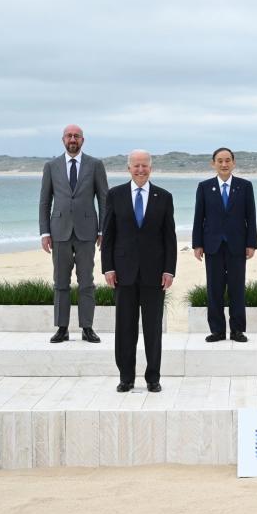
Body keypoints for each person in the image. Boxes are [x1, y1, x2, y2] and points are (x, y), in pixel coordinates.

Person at [101, 150, 176, 393]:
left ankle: (153, 378)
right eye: (136, 166)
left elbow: (169, 238)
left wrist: (169, 270)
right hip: (123, 273)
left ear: (151, 168)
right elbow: (109, 235)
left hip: (155, 274)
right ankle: (126, 378)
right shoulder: (115, 195)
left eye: (144, 165)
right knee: (125, 329)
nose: (140, 170)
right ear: (129, 168)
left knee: (153, 329)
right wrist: (108, 267)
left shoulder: (164, 197)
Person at [39, 124, 109, 344]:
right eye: (69, 136)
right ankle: (62, 328)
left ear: (82, 140)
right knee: (60, 282)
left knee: (86, 281)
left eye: (76, 136)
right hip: (59, 232)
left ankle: (87, 327)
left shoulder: (95, 165)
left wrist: (103, 231)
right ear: (63, 140)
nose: (72, 139)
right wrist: (44, 232)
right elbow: (44, 201)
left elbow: (104, 199)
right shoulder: (51, 166)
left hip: (87, 232)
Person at [191, 147, 257, 343]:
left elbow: (251, 217)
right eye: (220, 160)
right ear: (213, 164)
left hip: (237, 245)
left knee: (237, 289)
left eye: (227, 160)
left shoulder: (245, 186)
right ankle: (217, 331)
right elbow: (198, 218)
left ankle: (237, 330)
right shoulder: (204, 187)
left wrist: (251, 243)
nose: (224, 164)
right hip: (212, 245)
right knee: (214, 289)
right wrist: (197, 244)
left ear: (233, 162)